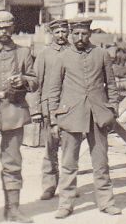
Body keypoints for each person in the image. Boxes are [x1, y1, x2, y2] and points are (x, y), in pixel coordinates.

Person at [45, 18, 121, 219]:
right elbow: (54, 90)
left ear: (90, 34)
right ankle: (66, 204)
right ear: (71, 34)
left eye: (84, 34)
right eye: (76, 34)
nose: (80, 38)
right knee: (69, 163)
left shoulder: (101, 54)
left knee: (101, 163)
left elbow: (112, 86)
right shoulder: (63, 57)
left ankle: (106, 202)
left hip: (98, 116)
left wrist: (113, 110)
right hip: (71, 117)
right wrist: (54, 120)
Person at [0, 11, 37, 223]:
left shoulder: (23, 52)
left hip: (14, 112)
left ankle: (13, 209)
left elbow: (34, 80)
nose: (4, 31)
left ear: (13, 27)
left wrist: (23, 80)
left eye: (7, 27)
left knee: (13, 163)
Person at [34, 19, 70, 201]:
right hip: (50, 109)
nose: (61, 35)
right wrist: (37, 109)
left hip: (71, 109)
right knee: (50, 149)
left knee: (71, 150)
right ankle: (49, 186)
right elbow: (35, 83)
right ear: (52, 34)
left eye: (64, 31)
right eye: (57, 32)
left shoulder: (74, 52)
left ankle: (68, 186)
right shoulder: (45, 54)